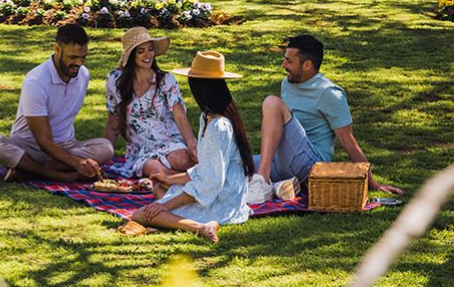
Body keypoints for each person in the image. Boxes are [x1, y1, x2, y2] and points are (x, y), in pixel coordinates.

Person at [246, 34, 404, 203]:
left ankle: (263, 180)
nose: (283, 65)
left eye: (289, 61)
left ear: (307, 65)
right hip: (282, 160)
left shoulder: (329, 93)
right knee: (234, 164)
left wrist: (371, 181)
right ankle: (279, 187)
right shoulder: (287, 83)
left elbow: (348, 141)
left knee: (272, 102)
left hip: (311, 165)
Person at [131, 51, 254, 244]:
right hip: (215, 189)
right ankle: (182, 215)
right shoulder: (207, 117)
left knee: (142, 214)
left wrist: (167, 205)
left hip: (222, 198)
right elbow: (206, 166)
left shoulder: (219, 126)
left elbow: (211, 181)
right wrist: (170, 178)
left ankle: (200, 227)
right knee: (160, 188)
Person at [0, 24, 114, 182]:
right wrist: (77, 163)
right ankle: (56, 174)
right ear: (57, 49)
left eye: (83, 57)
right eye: (73, 57)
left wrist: (77, 160)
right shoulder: (36, 81)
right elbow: (43, 140)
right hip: (29, 147)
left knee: (105, 148)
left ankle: (27, 171)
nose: (79, 63)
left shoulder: (83, 75)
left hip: (65, 146)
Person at [103, 27, 196, 180]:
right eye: (141, 51)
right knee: (155, 172)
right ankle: (191, 182)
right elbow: (114, 119)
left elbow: (179, 115)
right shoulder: (115, 80)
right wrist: (105, 154)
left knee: (180, 160)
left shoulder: (166, 80)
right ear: (131, 55)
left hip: (170, 141)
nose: (148, 55)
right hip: (141, 148)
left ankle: (188, 181)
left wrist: (191, 144)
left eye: (150, 49)